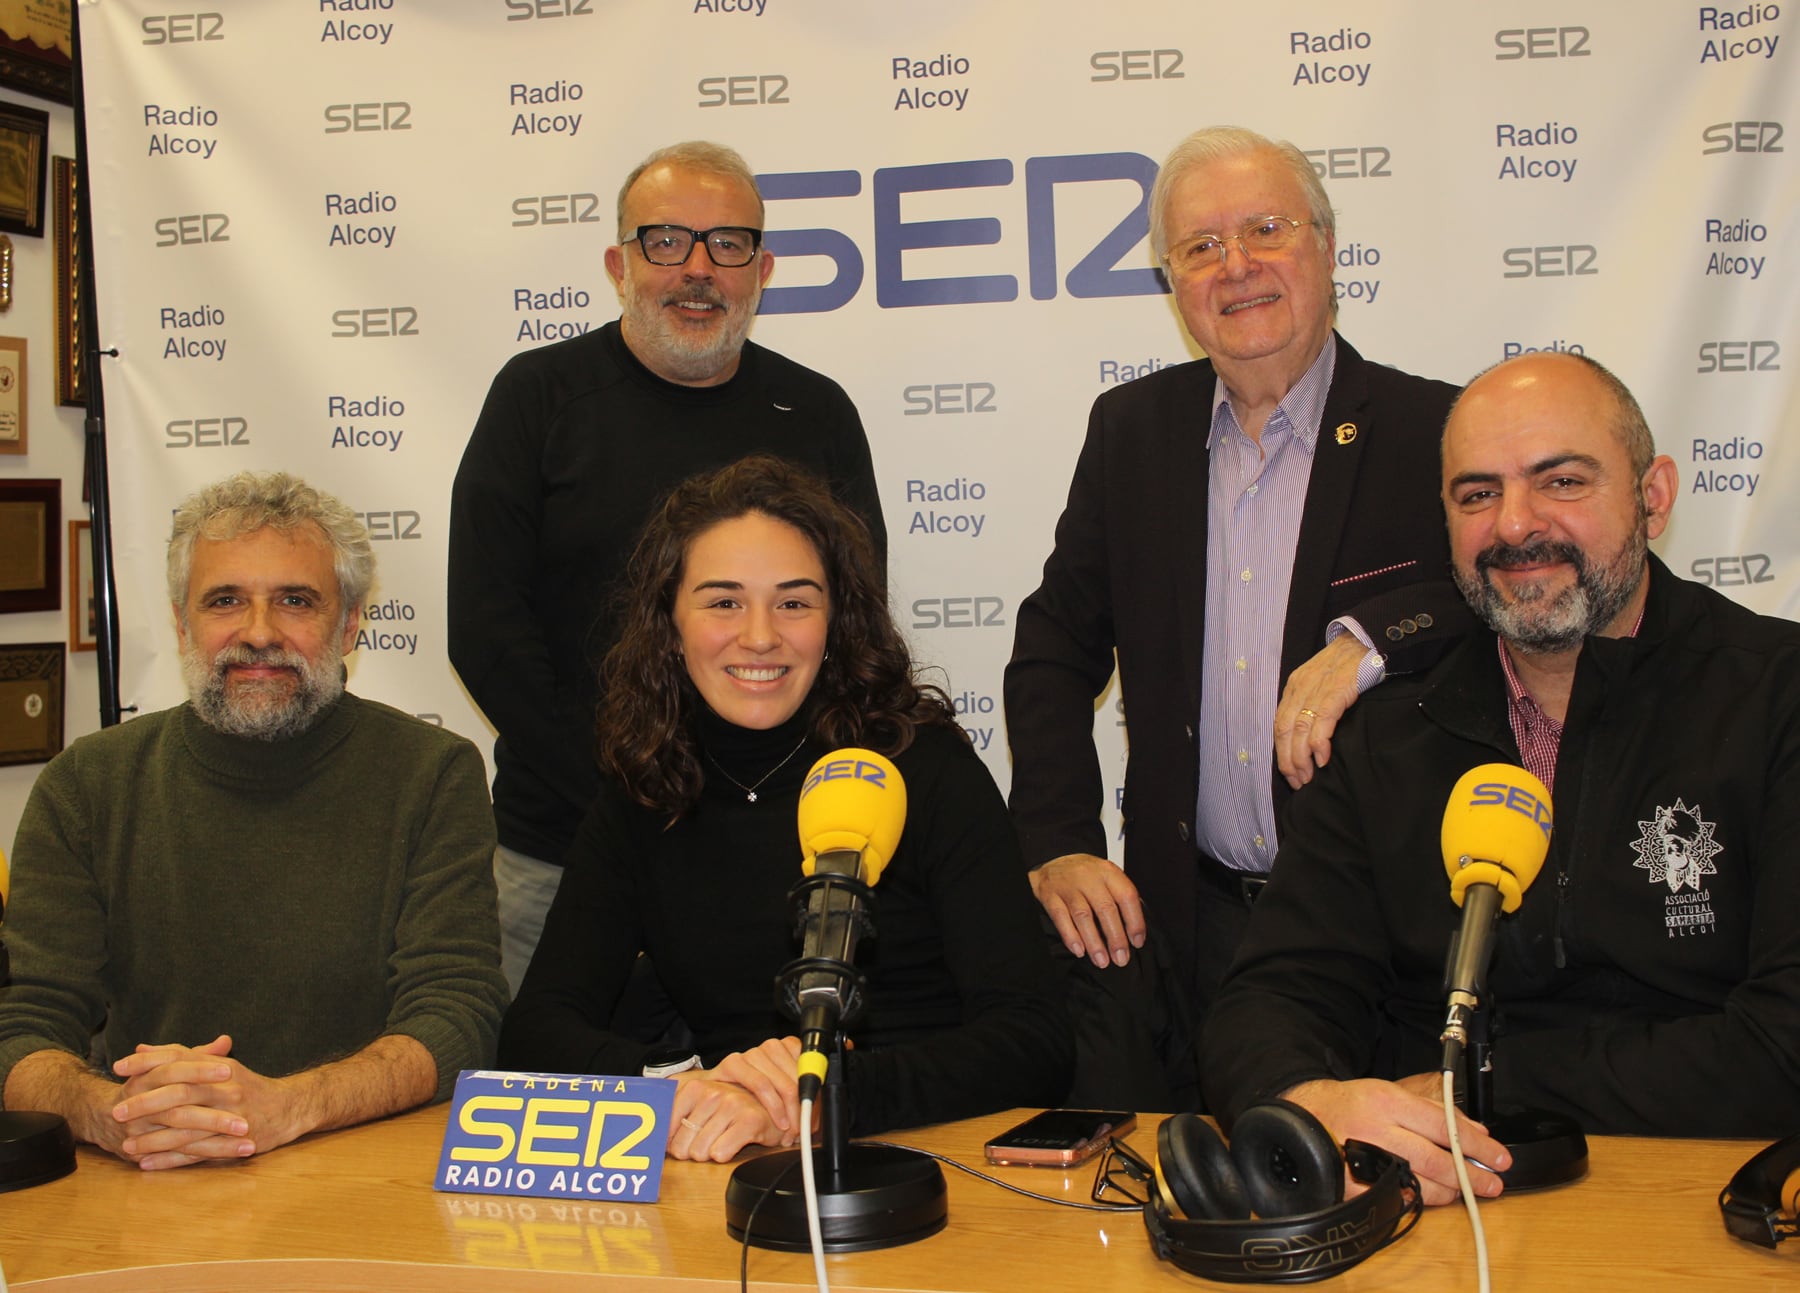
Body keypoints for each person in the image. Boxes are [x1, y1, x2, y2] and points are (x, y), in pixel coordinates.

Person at [1201, 353, 1800, 1204]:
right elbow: (1267, 1000)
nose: (1515, 526)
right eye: (1477, 494)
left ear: (1654, 497)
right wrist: (1315, 1099)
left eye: (1560, 480)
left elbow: (1784, 1045)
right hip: (1440, 1211)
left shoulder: (1776, 696)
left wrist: (1466, 1086)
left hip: (1700, 1199)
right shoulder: (1383, 740)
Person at [1005, 125, 1468, 1017]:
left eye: (1267, 229)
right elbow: (1054, 641)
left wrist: (1373, 639)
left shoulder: (1435, 430)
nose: (1237, 265)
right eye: (1202, 246)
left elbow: (1505, 599)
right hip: (1188, 931)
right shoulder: (1131, 431)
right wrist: (1056, 839)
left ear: (1327, 248)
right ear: (1172, 283)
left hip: (1382, 942)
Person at [498, 456, 1070, 1160]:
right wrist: (680, 1090)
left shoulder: (922, 766)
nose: (761, 635)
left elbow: (1032, 1039)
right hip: (734, 1162)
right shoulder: (647, 786)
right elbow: (536, 1027)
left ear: (836, 619)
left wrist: (823, 1097)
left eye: (794, 602)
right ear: (670, 623)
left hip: (934, 1160)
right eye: (723, 601)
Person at [451, 140, 885, 995]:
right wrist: (630, 798)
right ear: (619, 264)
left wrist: (731, 810)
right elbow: (486, 627)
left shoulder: (817, 411)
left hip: (763, 853)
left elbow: (847, 629)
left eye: (727, 245)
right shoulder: (537, 397)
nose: (698, 269)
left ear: (761, 269)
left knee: (754, 1103)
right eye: (666, 241)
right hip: (559, 848)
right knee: (536, 1096)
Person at [0, 471, 506, 1171]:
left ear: (351, 621)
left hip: (361, 1167)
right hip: (150, 1169)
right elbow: (26, 1028)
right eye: (225, 600)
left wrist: (286, 1106)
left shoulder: (433, 773)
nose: (259, 633)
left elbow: (458, 1017)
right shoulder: (85, 786)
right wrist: (119, 1117)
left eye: (295, 600)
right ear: (182, 622)